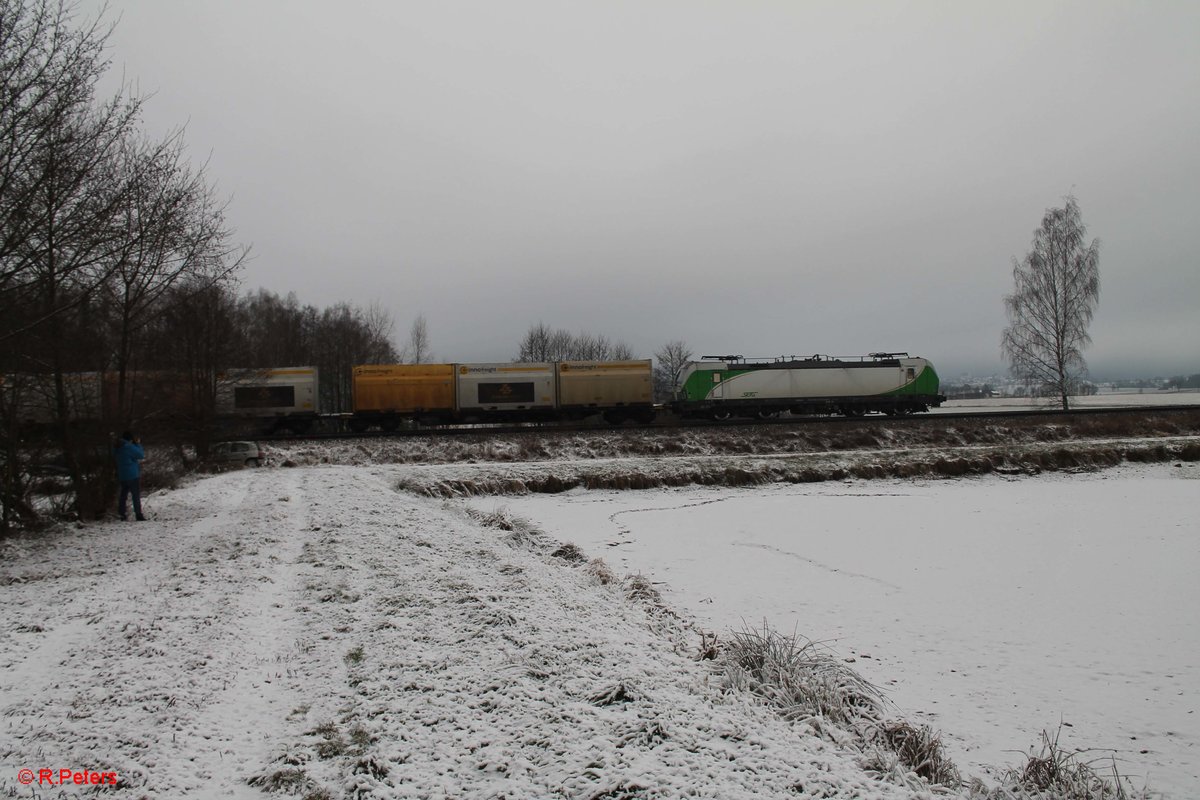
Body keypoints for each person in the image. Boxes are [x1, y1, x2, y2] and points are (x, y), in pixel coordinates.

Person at [113, 431, 146, 521]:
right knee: (135, 495)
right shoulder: (129, 447)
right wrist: (137, 444)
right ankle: (138, 514)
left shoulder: (117, 447)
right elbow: (141, 455)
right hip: (132, 474)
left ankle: (122, 514)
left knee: (123, 495)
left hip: (122, 474)